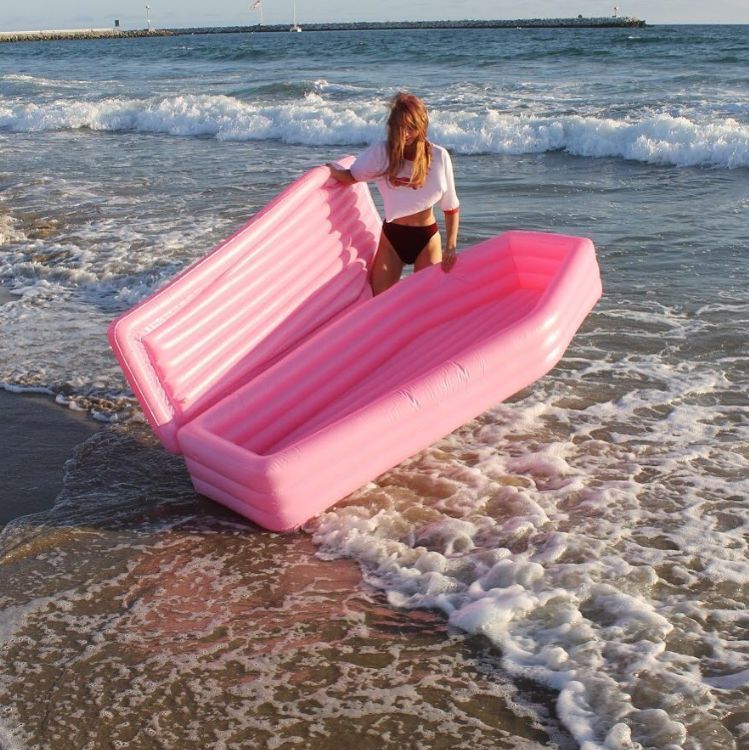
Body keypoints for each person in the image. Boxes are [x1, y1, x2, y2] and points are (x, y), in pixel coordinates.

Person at [327, 92, 460, 296]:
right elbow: (353, 175)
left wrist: (450, 245)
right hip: (392, 237)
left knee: (426, 302)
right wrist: (328, 172)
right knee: (378, 302)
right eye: (400, 126)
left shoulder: (438, 157)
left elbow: (451, 207)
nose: (405, 133)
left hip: (426, 238)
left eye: (411, 127)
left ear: (422, 125)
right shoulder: (382, 153)